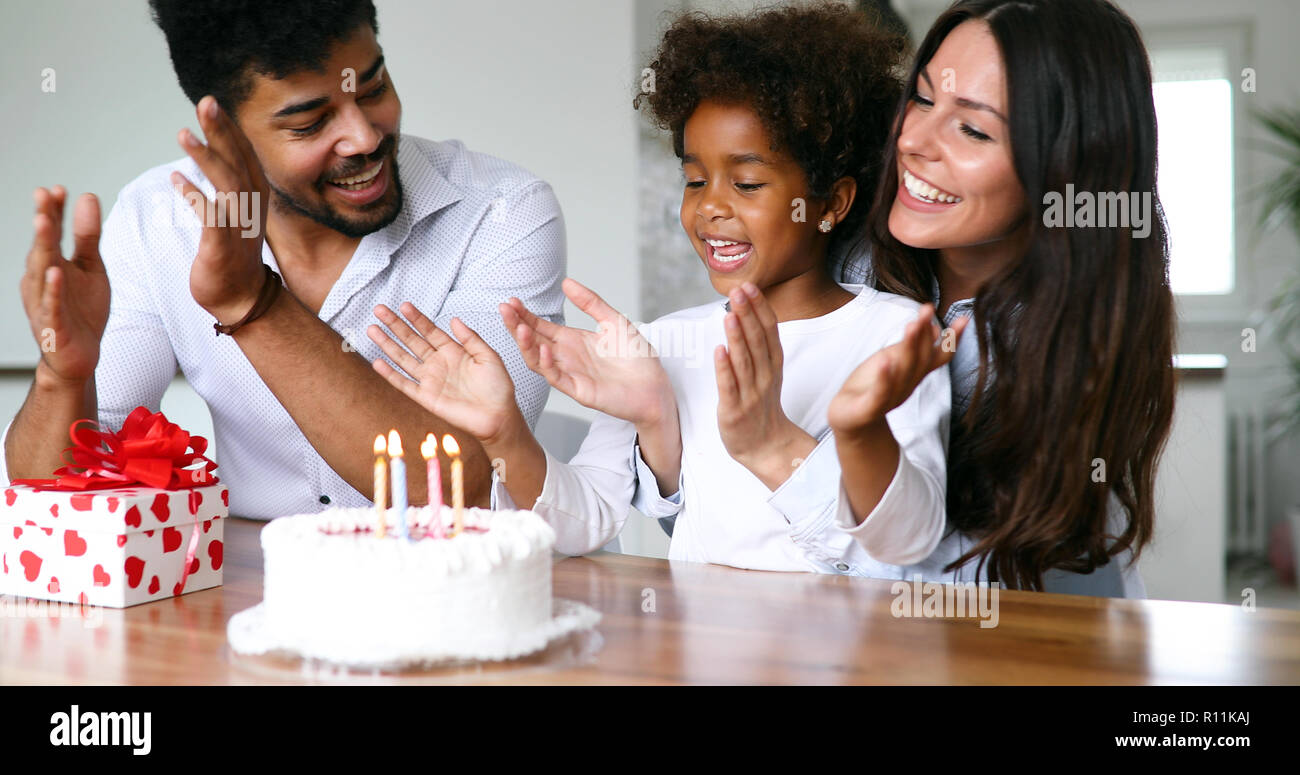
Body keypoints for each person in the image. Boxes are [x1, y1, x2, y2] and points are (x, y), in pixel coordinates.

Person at [368, 3, 960, 575]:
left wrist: (773, 440)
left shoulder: (893, 336)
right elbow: (585, 521)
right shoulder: (666, 343)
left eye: (748, 183)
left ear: (830, 202)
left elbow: (904, 545)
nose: (711, 207)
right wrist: (505, 433)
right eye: (695, 179)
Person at [2, 0, 565, 516]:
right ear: (224, 133)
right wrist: (61, 375)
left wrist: (252, 301)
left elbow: (458, 483)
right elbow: (59, 493)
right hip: (250, 595)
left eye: (372, 89)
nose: (364, 138)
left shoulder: (501, 212)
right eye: (310, 123)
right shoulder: (157, 221)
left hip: (460, 596)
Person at [831, 0, 1176, 595]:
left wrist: (787, 447)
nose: (914, 141)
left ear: (1064, 168)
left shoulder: (1073, 339)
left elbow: (938, 575)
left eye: (972, 128)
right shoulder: (845, 264)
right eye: (920, 98)